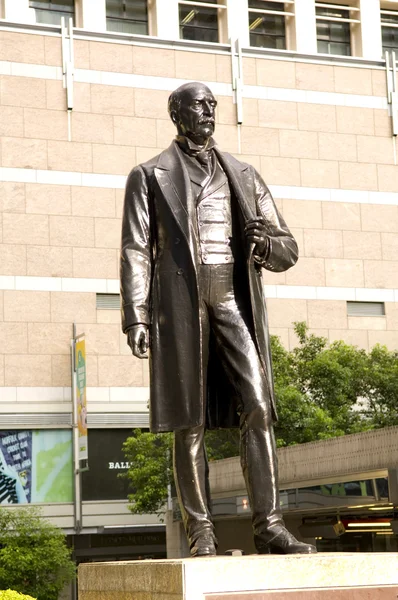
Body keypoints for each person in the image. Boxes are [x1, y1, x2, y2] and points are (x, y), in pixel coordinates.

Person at [120, 81, 316, 557]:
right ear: (176, 114)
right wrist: (137, 315)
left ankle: (268, 525)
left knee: (258, 405)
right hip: (181, 306)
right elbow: (135, 248)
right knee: (190, 420)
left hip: (231, 296)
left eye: (212, 105)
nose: (208, 111)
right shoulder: (148, 175)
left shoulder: (244, 175)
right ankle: (200, 530)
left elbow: (287, 247)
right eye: (198, 105)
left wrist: (264, 244)